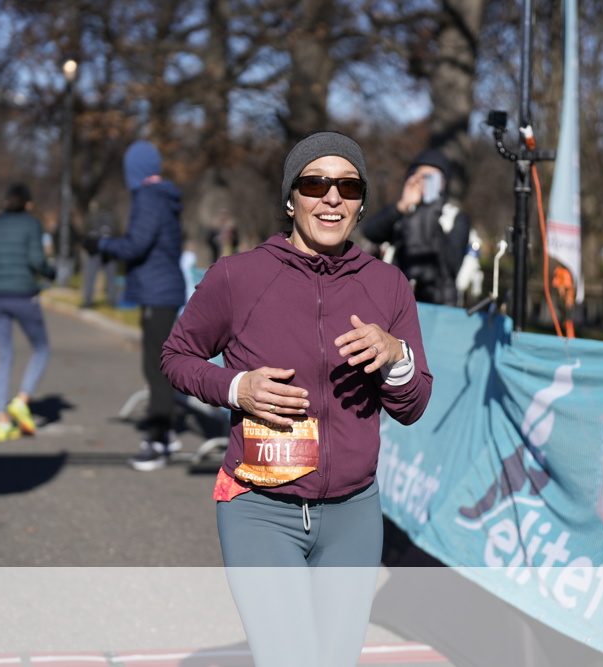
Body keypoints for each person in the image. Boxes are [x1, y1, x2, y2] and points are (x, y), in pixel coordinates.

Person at [161, 131, 433, 667]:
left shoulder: (388, 285)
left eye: (348, 187)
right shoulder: (238, 276)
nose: (332, 197)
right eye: (315, 184)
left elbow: (413, 405)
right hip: (260, 509)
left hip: (354, 514)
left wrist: (396, 355)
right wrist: (237, 388)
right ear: (291, 199)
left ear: (360, 204)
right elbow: (176, 357)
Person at [83, 140, 186, 471]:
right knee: (157, 366)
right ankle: (167, 432)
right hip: (161, 290)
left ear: (135, 169)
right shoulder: (162, 196)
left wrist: (101, 244)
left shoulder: (148, 197)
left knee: (156, 369)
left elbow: (136, 245)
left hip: (158, 292)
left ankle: (158, 441)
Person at [0, 183, 56, 442]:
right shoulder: (31, 224)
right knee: (41, 348)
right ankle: (21, 399)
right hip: (22, 294)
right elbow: (36, 260)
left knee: (4, 354)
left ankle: (2, 421)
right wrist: (51, 273)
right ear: (28, 204)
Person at [361, 147, 472, 306]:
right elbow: (370, 231)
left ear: (444, 183)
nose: (425, 183)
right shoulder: (403, 213)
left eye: (432, 178)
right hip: (395, 301)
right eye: (419, 177)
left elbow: (452, 264)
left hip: (438, 306)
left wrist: (431, 212)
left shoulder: (455, 217)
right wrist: (402, 206)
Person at [80, 210, 119, 308]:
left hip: (94, 251)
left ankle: (87, 302)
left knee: (90, 277)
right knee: (111, 279)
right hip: (110, 252)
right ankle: (112, 302)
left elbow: (84, 237)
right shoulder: (112, 222)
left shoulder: (92, 220)